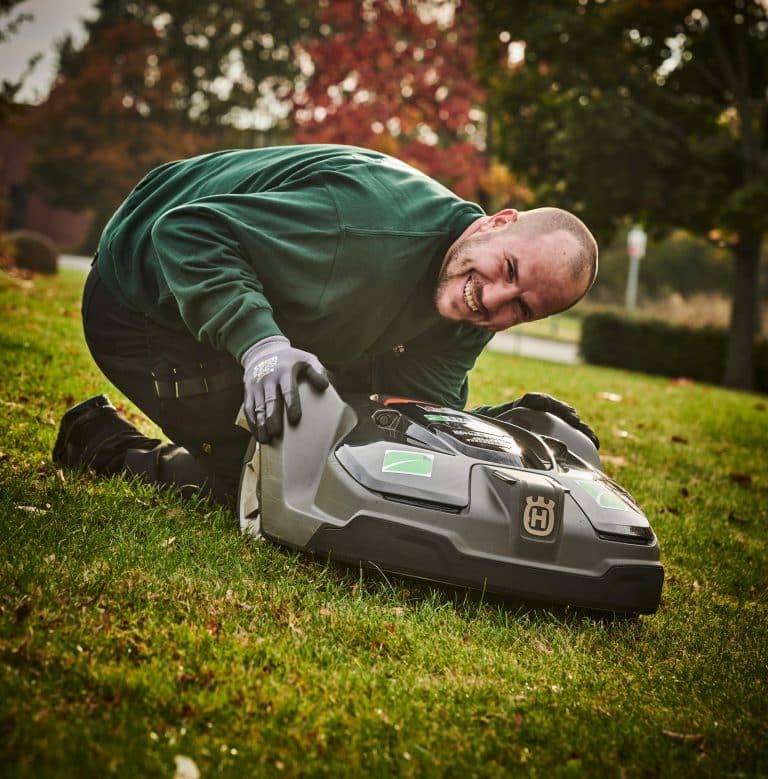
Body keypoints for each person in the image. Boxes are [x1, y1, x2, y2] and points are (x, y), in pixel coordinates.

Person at [53, 144, 599, 507]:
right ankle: (100, 442)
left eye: (523, 308)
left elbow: (406, 416)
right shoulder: (365, 228)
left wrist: (498, 435)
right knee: (274, 484)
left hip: (252, 291)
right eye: (508, 270)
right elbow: (184, 233)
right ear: (499, 223)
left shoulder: (467, 303)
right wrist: (261, 346)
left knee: (357, 464)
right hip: (141, 294)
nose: (494, 300)